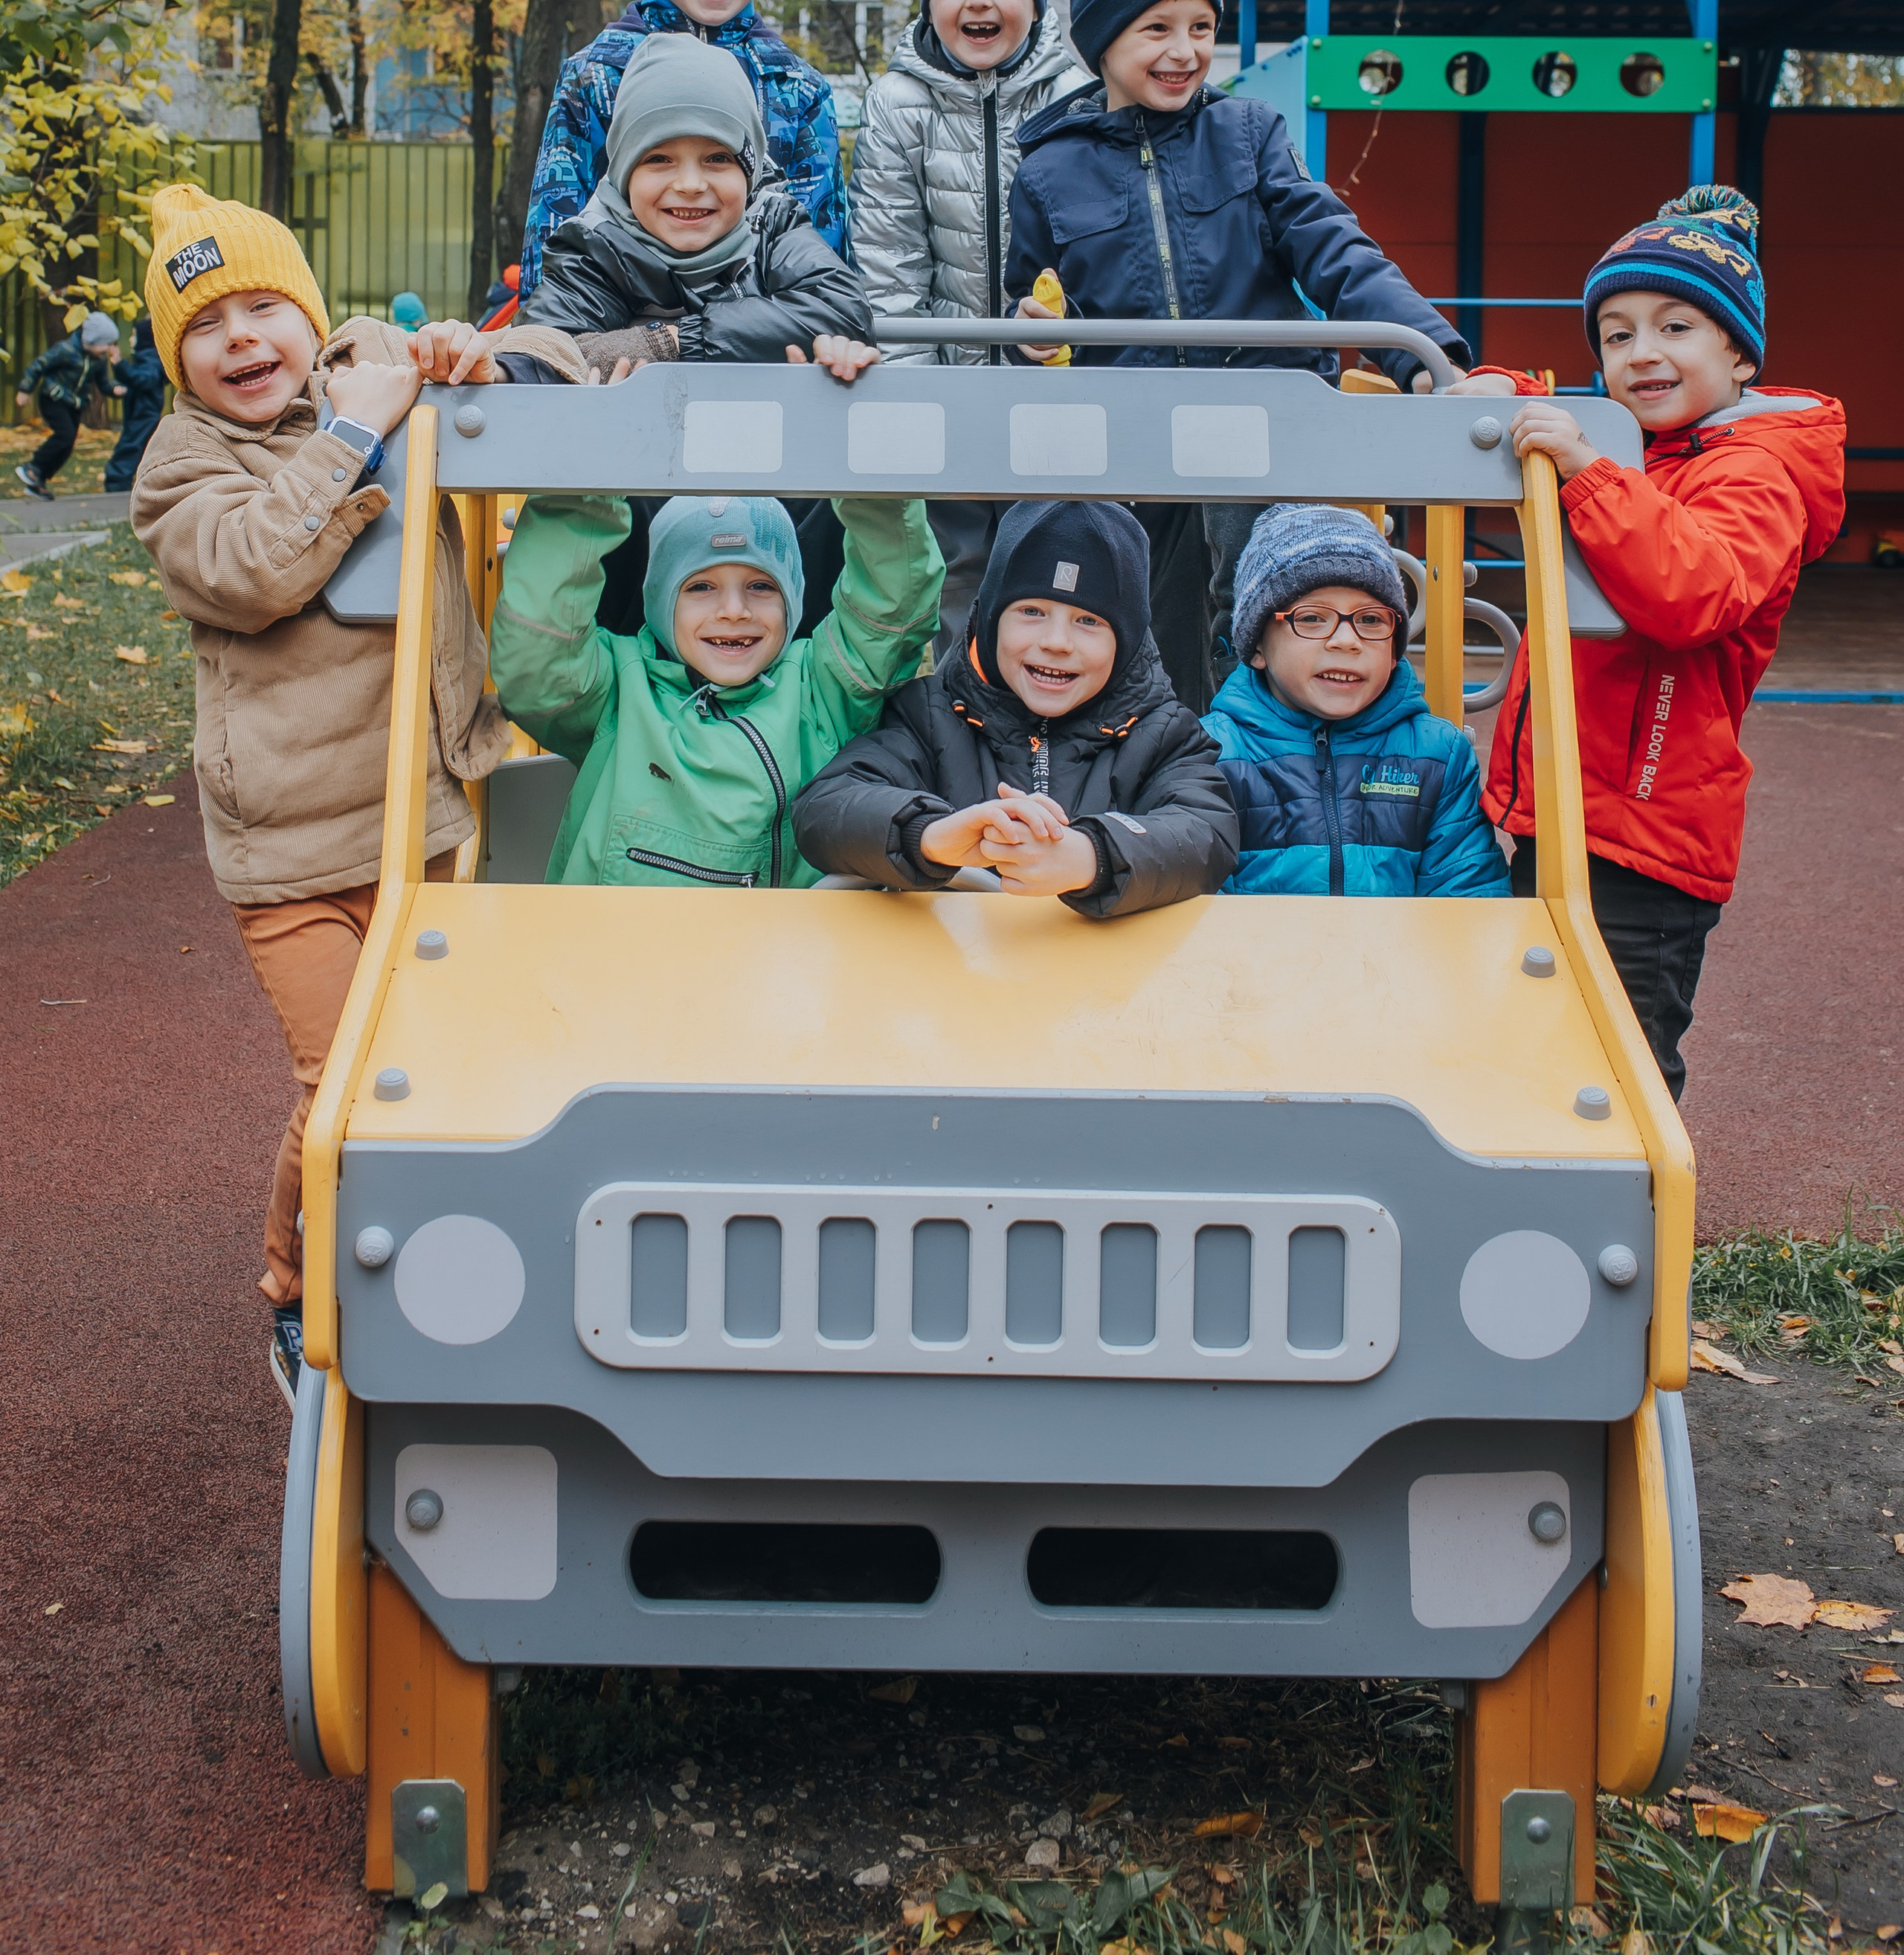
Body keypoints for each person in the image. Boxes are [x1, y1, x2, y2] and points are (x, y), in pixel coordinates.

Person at [128, 184, 585, 1399]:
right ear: (179, 361)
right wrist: (352, 439)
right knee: (339, 1083)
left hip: (419, 816)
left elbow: (553, 353)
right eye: (207, 328)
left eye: (266, 307)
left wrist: (474, 353)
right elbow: (252, 569)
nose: (244, 342)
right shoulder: (180, 465)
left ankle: (439, 1274)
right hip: (289, 853)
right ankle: (292, 1287)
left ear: (308, 309)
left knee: (439, 1065)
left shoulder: (371, 361)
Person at [1004, 0, 1468, 706]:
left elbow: (1332, 246)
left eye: (1202, 27)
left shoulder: (1246, 133)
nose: (1184, 50)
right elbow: (1027, 307)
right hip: (1139, 435)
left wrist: (1429, 357)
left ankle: (1263, 772)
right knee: (1148, 624)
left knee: (1254, 608)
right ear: (1104, 39)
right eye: (1157, 27)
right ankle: (1171, 782)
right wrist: (1032, 343)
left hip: (1259, 416)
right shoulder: (1050, 168)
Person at [1470, 184, 1844, 1100]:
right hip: (1567, 807)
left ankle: (1642, 1235)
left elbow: (1696, 590)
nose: (1642, 354)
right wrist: (1505, 394)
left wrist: (1588, 469)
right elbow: (1578, 431)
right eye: (1617, 334)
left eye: (1676, 327)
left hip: (1647, 829)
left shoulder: (1754, 471)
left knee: (1617, 1055)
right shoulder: (1646, 449)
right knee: (1536, 1035)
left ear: (1738, 354)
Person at [849, 0, 1090, 653]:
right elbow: (889, 261)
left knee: (1055, 572)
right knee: (958, 573)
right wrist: (919, 403)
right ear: (929, 1)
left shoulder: (1075, 96)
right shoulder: (898, 103)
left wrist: (1071, 345)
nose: (977, 0)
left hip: (1052, 387)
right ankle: (958, 732)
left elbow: (1093, 249)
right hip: (945, 378)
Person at [794, 498, 1238, 916]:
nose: (1056, 642)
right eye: (1031, 611)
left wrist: (1095, 855)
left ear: (1129, 642)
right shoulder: (928, 715)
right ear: (990, 620)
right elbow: (826, 808)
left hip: (1106, 986)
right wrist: (927, 833)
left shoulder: (1164, 733)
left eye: (1089, 621)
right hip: (951, 977)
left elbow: (1206, 833)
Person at [488, 484, 943, 890]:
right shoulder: (617, 691)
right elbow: (538, 645)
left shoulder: (821, 687)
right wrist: (586, 488)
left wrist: (870, 477)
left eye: (761, 586)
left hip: (778, 967)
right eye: (701, 586)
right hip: (620, 965)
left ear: (795, 599)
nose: (733, 609)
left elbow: (893, 607)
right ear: (661, 601)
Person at [518, 0, 849, 296]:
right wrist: (548, 347)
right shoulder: (595, 75)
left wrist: (820, 337)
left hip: (762, 342)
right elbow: (555, 227)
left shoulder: (796, 87)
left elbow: (823, 239)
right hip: (620, 343)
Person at [1206, 504, 1506, 898]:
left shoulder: (1438, 754)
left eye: (1371, 620)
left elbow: (1469, 896)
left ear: (1395, 650)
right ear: (1256, 646)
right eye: (1311, 618)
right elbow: (1199, 903)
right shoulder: (1212, 753)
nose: (1347, 640)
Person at [522, 36, 872, 367]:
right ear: (625, 175)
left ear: (749, 172)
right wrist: (481, 361)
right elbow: (538, 354)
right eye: (659, 159)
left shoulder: (772, 227)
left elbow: (840, 311)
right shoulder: (598, 249)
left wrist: (673, 343)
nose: (690, 185)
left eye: (718, 159)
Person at [13, 312, 123, 497]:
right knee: (64, 435)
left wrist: (115, 390)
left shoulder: (98, 360)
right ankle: (33, 467)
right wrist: (25, 390)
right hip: (53, 398)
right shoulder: (65, 350)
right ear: (91, 340)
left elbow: (103, 383)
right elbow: (37, 366)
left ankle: (38, 479)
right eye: (107, 344)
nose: (110, 349)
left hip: (74, 403)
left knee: (68, 443)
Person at [103, 315, 167, 492]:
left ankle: (116, 487)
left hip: (143, 415)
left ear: (145, 338)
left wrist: (119, 364)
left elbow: (142, 380)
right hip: (141, 413)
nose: (131, 340)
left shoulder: (150, 360)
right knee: (142, 450)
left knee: (129, 448)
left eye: (134, 335)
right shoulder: (147, 359)